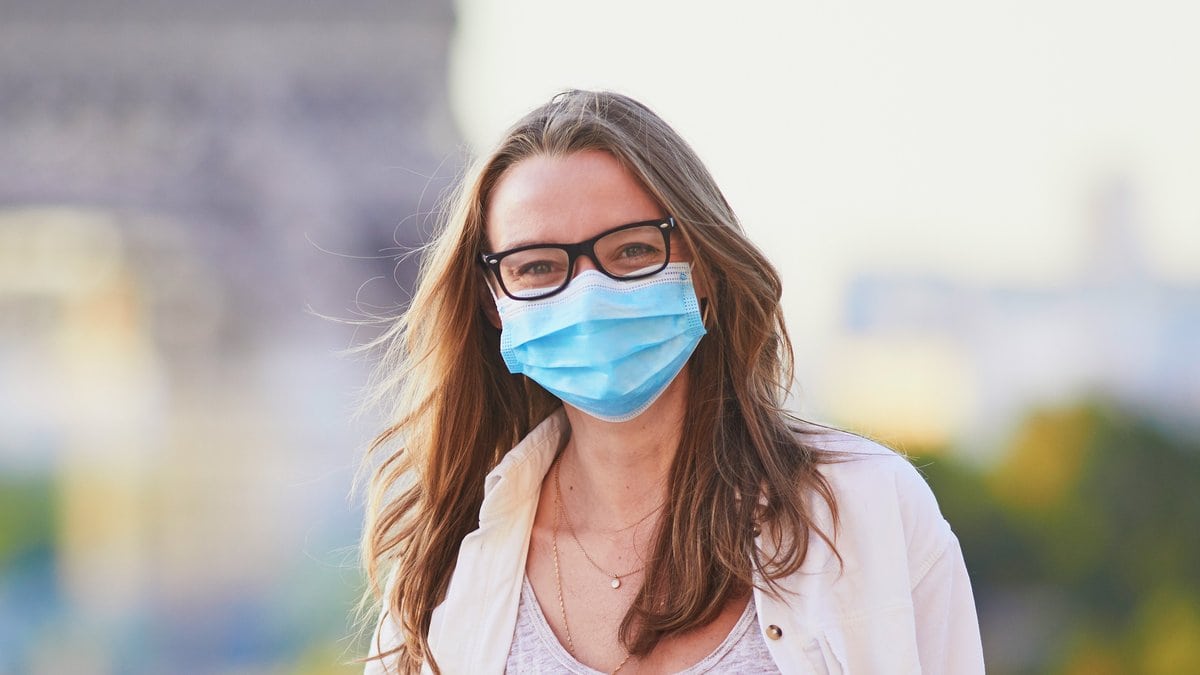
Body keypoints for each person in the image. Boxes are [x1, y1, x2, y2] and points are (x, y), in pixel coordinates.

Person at [359, 90, 984, 674]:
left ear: (704, 267)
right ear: (495, 304)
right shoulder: (441, 571)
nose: (588, 293)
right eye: (538, 266)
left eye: (631, 251)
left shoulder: (870, 509)